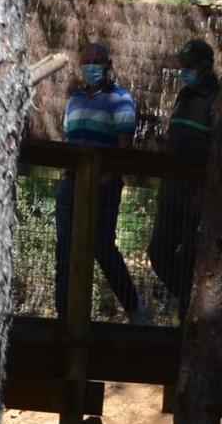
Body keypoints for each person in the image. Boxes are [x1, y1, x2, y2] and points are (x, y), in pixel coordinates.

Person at [53, 41, 147, 323]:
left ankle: (135, 311)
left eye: (97, 61)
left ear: (108, 65)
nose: (91, 66)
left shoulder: (120, 99)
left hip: (103, 186)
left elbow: (124, 145)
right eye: (87, 62)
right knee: (65, 249)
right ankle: (64, 315)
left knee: (102, 247)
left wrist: (107, 178)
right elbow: (70, 139)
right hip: (70, 185)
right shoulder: (74, 100)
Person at [147, 38, 216, 316]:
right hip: (172, 192)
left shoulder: (215, 99)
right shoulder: (183, 95)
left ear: (204, 67)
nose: (183, 70)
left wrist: (204, 192)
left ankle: (192, 320)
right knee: (159, 253)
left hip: (197, 196)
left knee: (190, 258)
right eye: (182, 65)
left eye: (189, 65)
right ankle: (191, 308)